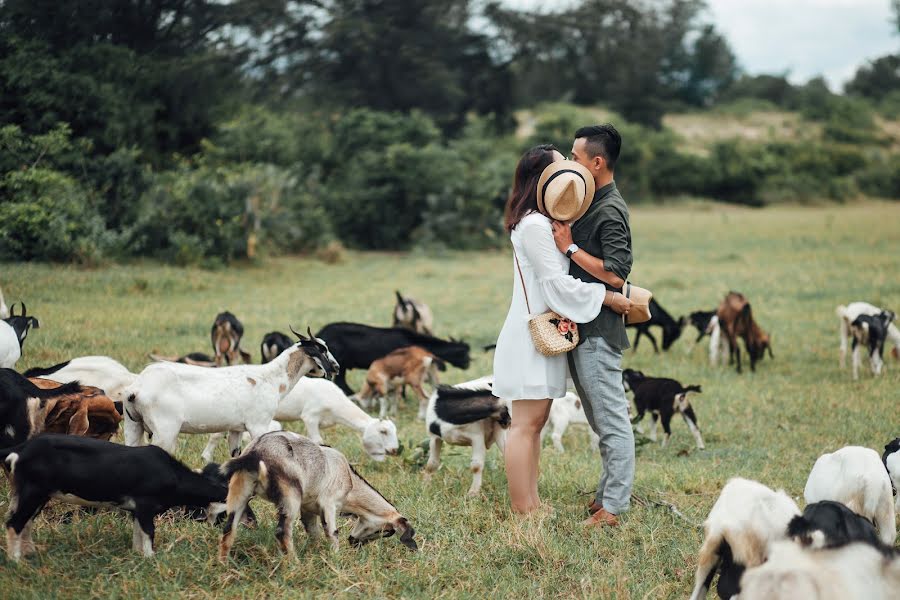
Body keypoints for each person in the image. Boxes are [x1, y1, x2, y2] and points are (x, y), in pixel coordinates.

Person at [493, 144, 631, 515]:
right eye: (561, 167)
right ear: (543, 179)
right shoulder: (535, 225)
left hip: (545, 334)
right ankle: (524, 509)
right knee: (524, 424)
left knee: (534, 423)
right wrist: (606, 297)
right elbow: (555, 284)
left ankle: (533, 503)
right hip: (532, 333)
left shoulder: (539, 220)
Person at [551, 124, 634, 528]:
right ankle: (605, 497)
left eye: (574, 155)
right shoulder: (590, 201)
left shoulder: (610, 210)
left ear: (596, 163)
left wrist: (569, 247)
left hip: (599, 331)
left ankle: (614, 508)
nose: (569, 162)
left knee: (612, 421)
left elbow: (617, 276)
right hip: (585, 328)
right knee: (601, 421)